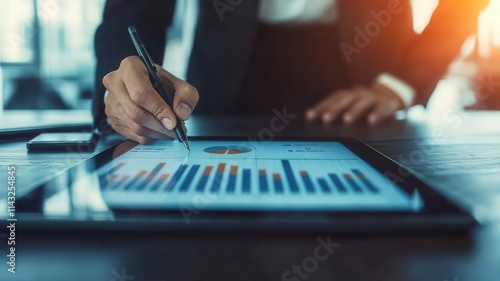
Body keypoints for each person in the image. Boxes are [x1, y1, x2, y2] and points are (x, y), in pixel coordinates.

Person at [94, 0, 488, 144]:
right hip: (228, 76)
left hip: (363, 76)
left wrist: (400, 84)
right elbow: (136, 9)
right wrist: (124, 80)